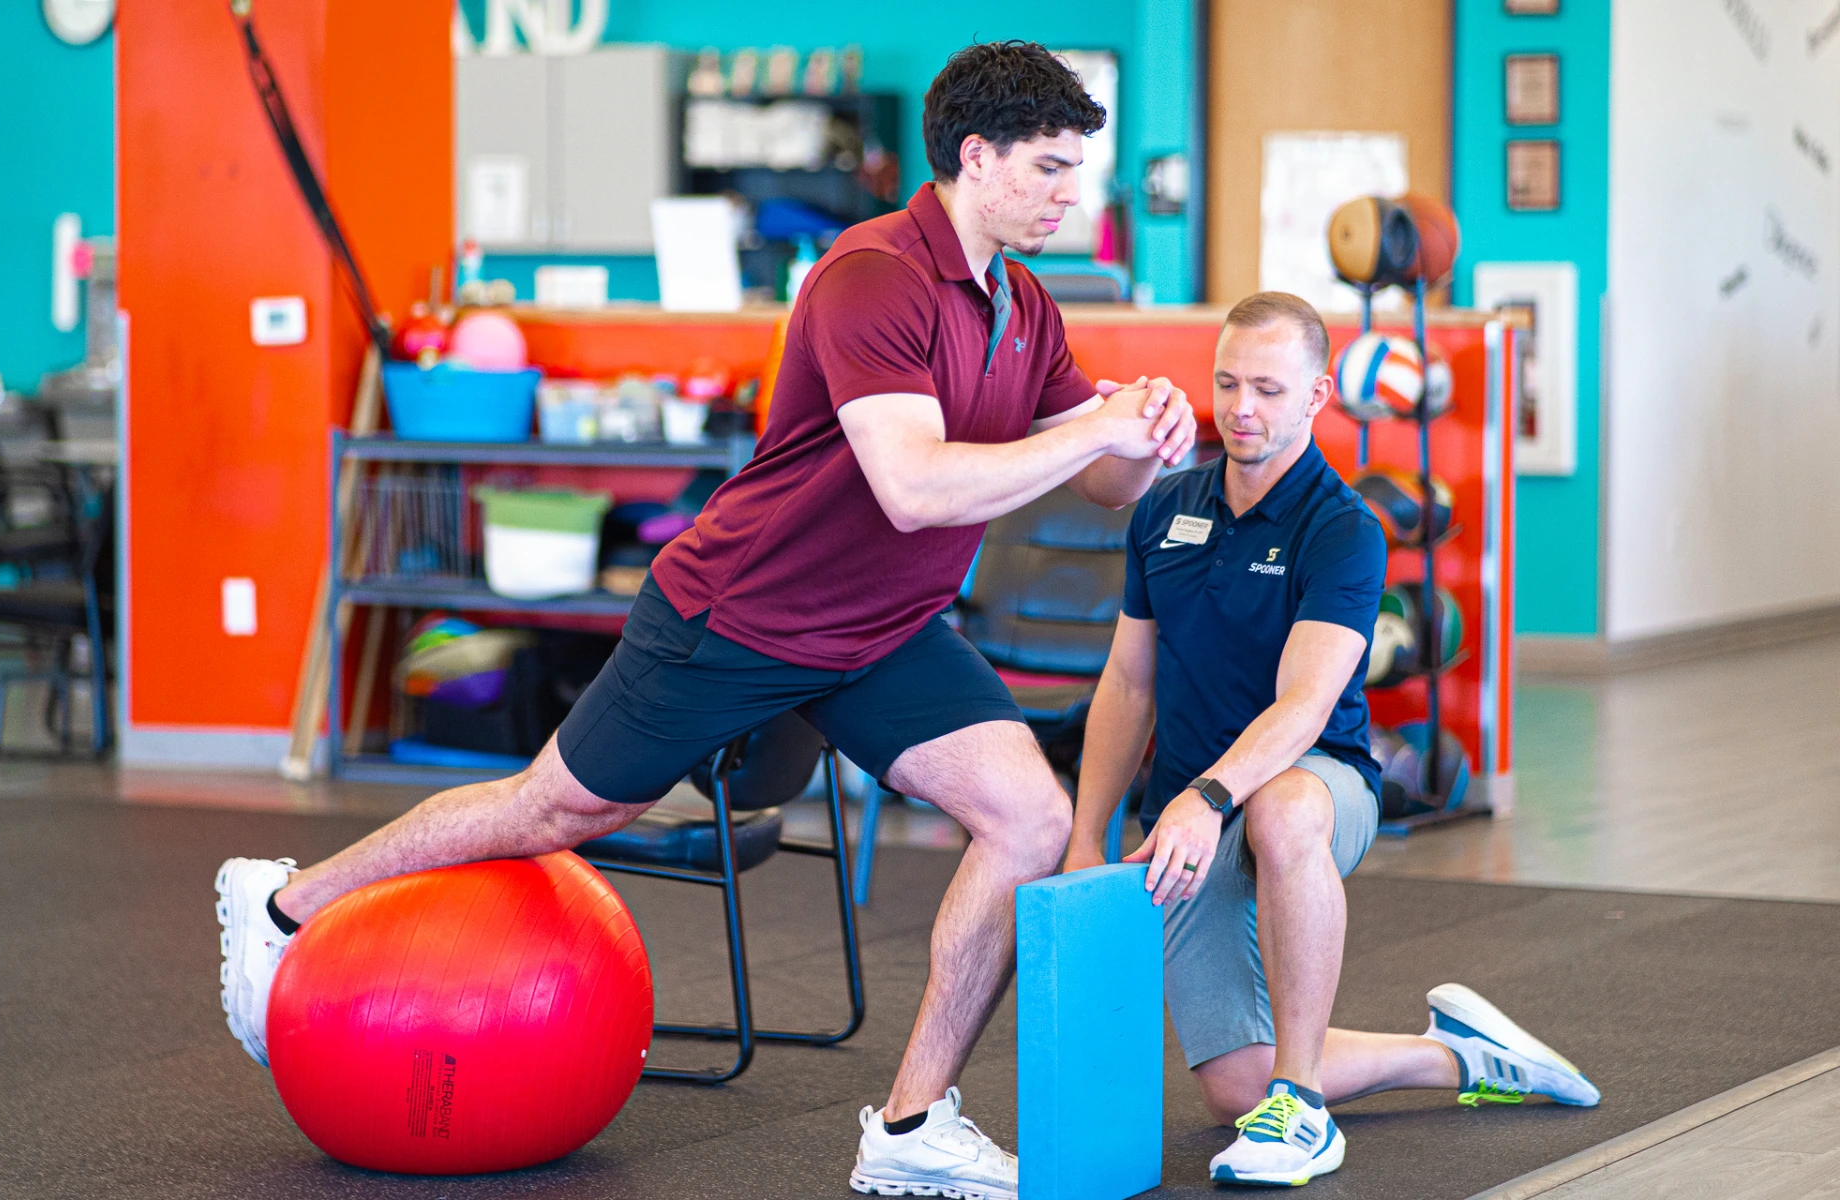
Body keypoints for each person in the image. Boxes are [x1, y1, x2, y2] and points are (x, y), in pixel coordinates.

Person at [215, 41, 1195, 1200]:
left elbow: (1101, 480)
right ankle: (282, 901)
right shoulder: (870, 276)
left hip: (884, 630)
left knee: (1030, 817)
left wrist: (1145, 436)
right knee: (556, 809)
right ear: (974, 160)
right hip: (741, 612)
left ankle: (913, 1125)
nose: (1070, 195)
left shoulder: (1023, 304)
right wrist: (1092, 432)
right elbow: (915, 485)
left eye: (1078, 170)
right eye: (1049, 168)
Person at [1063, 292, 1599, 1188]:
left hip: (1315, 783)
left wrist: (1203, 800)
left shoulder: (1343, 530)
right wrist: (1088, 833)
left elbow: (1306, 706)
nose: (1242, 408)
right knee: (1234, 1084)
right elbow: (1128, 682)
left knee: (1280, 812)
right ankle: (1457, 1058)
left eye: (1269, 389)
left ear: (1316, 397)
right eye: (1228, 383)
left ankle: (1303, 1108)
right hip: (1194, 810)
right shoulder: (1164, 512)